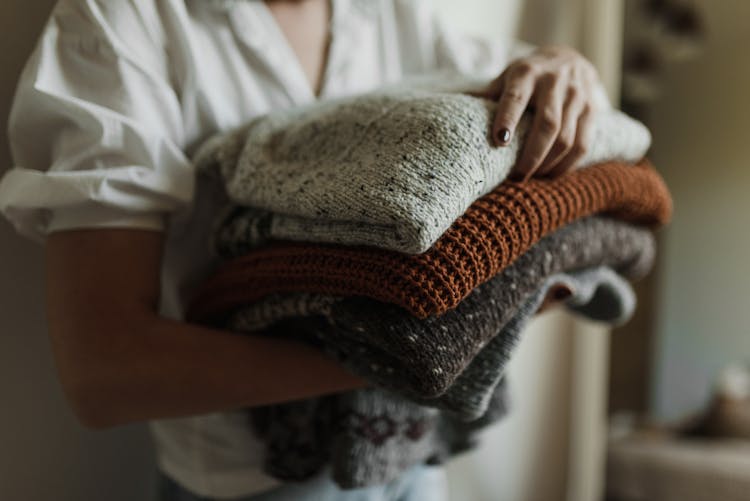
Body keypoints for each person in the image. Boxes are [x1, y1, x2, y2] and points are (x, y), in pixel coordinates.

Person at [0, 0, 608, 499]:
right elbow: (105, 373)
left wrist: (565, 66)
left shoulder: (390, 14)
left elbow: (524, 94)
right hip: (255, 482)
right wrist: (412, 351)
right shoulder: (120, 22)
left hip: (413, 459)